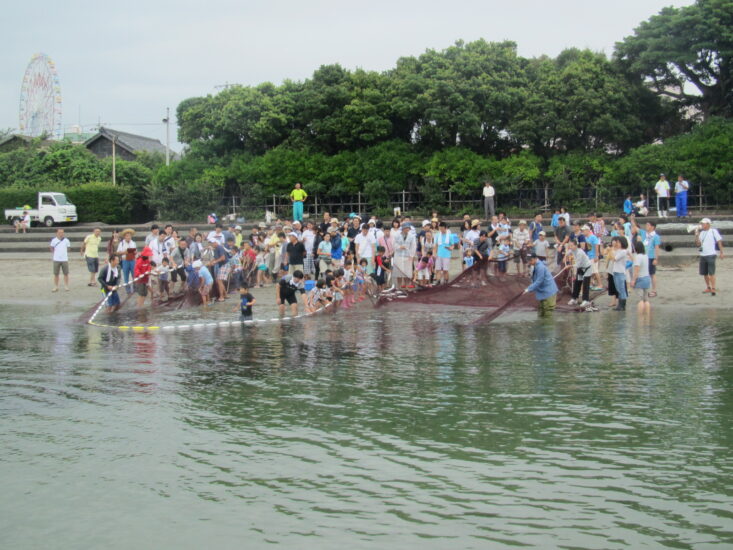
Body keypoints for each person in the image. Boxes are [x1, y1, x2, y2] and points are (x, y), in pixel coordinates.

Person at [695, 218, 724, 296]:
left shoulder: (713, 231)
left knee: (711, 272)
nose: (702, 225)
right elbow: (698, 244)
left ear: (708, 224)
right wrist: (697, 236)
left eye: (703, 224)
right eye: (702, 224)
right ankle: (708, 287)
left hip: (711, 254)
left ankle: (713, 288)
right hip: (702, 254)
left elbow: (719, 241)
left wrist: (721, 252)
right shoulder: (701, 233)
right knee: (704, 273)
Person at [524, 252, 559, 317]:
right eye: (528, 260)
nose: (529, 262)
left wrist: (528, 289)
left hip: (549, 293)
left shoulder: (540, 267)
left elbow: (539, 281)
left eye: (530, 260)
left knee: (547, 314)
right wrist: (529, 288)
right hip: (543, 293)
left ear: (535, 259)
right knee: (541, 313)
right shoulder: (535, 266)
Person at [565, 239, 592, 308]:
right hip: (580, 269)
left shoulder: (580, 252)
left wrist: (569, 266)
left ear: (576, 245)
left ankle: (586, 300)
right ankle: (574, 298)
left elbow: (578, 265)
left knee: (585, 284)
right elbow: (567, 254)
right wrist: (565, 258)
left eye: (572, 245)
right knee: (577, 283)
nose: (570, 247)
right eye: (569, 245)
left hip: (587, 268)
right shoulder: (571, 250)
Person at [631, 240, 651, 314]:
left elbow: (637, 270)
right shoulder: (646, 256)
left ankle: (640, 318)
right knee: (646, 299)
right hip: (647, 278)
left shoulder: (638, 257)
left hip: (640, 279)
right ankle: (647, 315)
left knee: (640, 300)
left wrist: (633, 280)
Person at [393, 224, 416, 288]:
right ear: (403, 229)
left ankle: (407, 287)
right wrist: (399, 247)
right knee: (398, 273)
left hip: (407, 256)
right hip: (398, 256)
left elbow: (413, 246)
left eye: (408, 228)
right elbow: (393, 244)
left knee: (407, 273)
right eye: (406, 228)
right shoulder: (397, 235)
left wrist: (411, 256)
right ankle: (399, 287)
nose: (407, 230)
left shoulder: (411, 236)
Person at [643, 221, 662, 297]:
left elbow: (657, 248)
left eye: (648, 225)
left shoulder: (655, 236)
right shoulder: (646, 235)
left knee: (652, 274)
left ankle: (654, 290)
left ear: (652, 227)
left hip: (651, 257)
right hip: (645, 256)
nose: (646, 226)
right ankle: (647, 289)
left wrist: (656, 259)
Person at [50, 228, 71, 292]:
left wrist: (64, 253)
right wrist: (55, 254)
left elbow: (68, 248)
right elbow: (51, 247)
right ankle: (56, 286)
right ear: (57, 233)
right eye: (59, 232)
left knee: (66, 273)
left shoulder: (66, 240)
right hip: (56, 259)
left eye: (62, 232)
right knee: (56, 274)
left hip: (64, 259)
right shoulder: (54, 240)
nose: (61, 234)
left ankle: (66, 286)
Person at [116, 228, 137, 294]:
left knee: (134, 274)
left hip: (132, 260)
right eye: (127, 236)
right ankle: (127, 289)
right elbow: (118, 252)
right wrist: (125, 252)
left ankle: (135, 288)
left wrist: (135, 252)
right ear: (124, 236)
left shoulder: (133, 243)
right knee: (126, 275)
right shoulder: (121, 243)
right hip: (125, 260)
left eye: (129, 236)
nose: (128, 237)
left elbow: (135, 251)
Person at [611, 236, 629, 311]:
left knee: (621, 289)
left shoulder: (623, 251)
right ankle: (620, 305)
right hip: (616, 271)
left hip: (620, 272)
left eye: (618, 242)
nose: (617, 244)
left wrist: (611, 251)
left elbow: (614, 258)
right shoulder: (619, 250)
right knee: (618, 289)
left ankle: (622, 305)